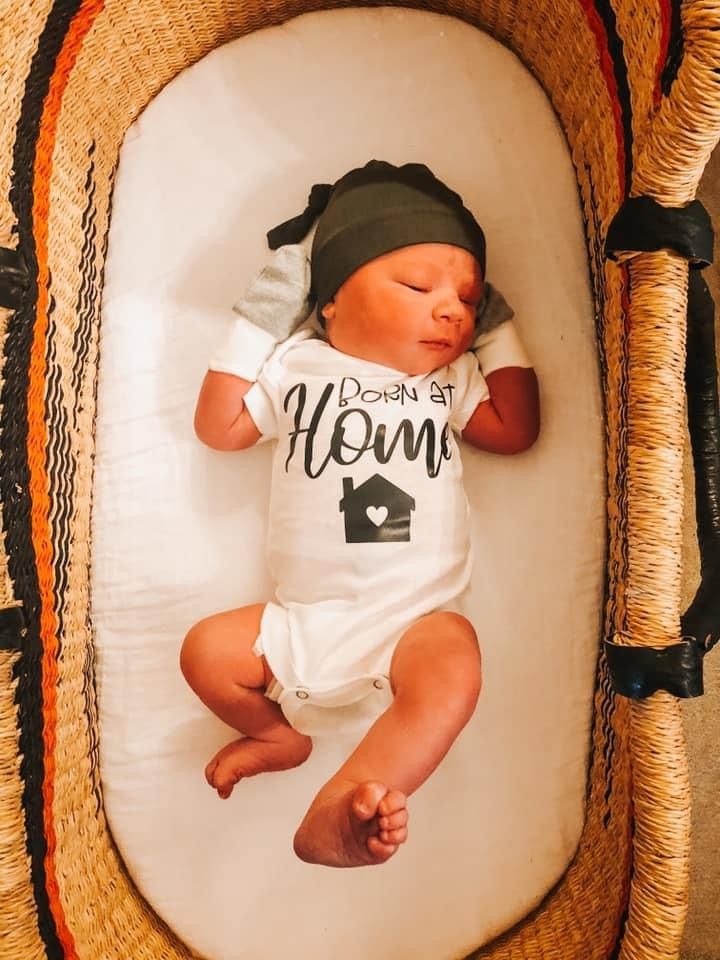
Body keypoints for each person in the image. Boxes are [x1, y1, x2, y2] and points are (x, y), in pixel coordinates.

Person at [180, 160, 540, 868]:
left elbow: (516, 428)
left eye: (469, 300)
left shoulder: (449, 379)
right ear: (331, 302)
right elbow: (218, 427)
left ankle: (348, 800)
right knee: (205, 651)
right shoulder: (297, 366)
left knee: (457, 663)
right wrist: (268, 312)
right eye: (417, 286)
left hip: (413, 624)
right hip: (300, 626)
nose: (451, 310)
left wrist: (495, 328)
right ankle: (280, 738)